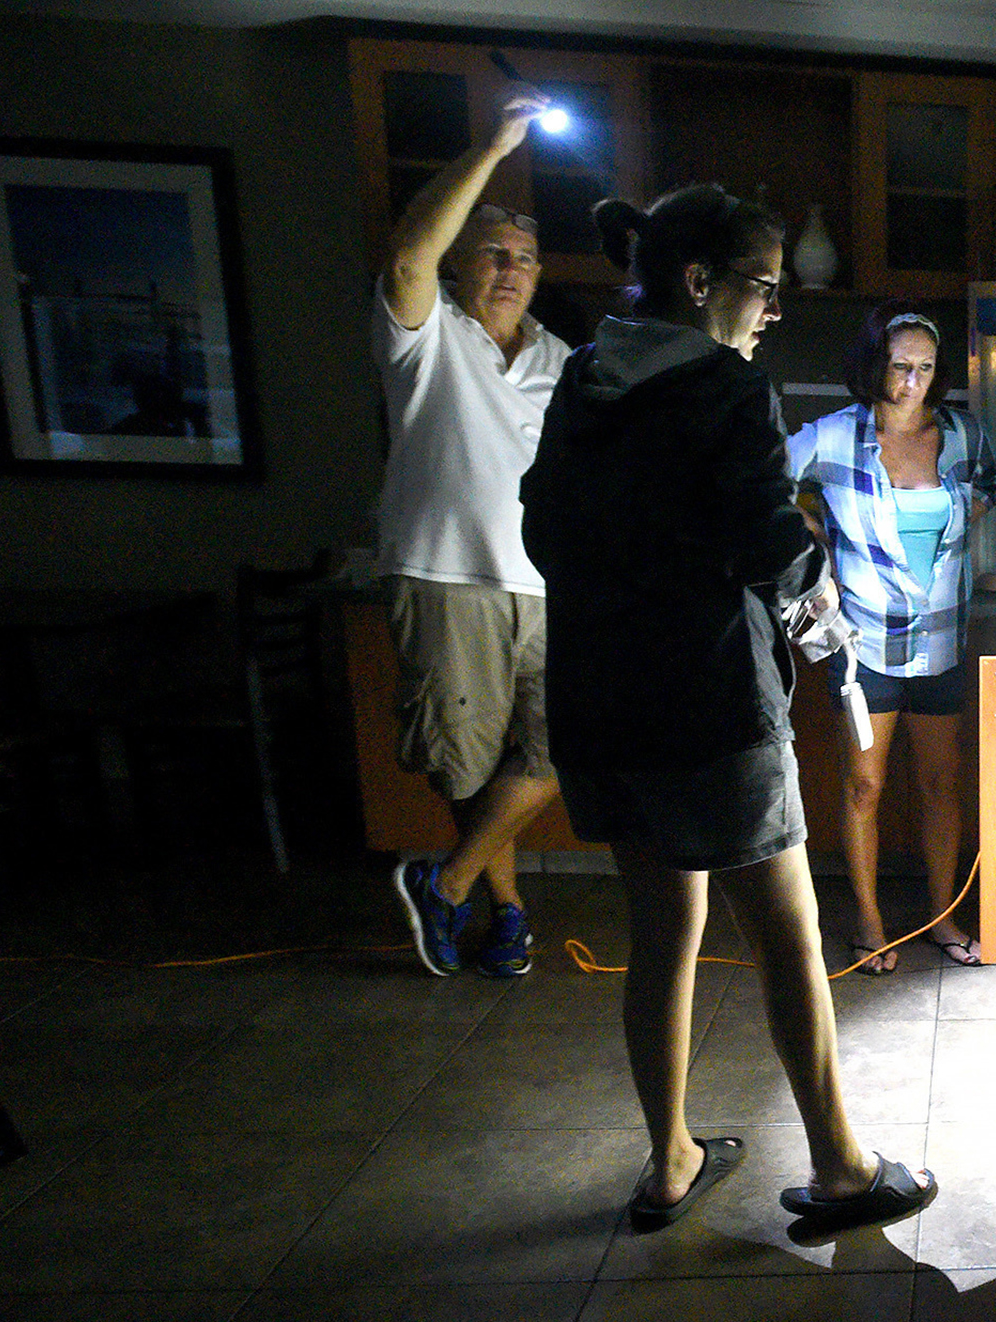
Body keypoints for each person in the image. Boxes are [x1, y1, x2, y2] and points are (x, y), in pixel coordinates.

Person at [520, 184, 936, 1231]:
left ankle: (669, 1161)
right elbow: (769, 545)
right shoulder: (724, 387)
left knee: (662, 925)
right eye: (762, 285)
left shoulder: (585, 377)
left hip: (599, 704)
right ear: (698, 282)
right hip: (707, 706)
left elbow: (540, 529)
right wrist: (819, 615)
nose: (773, 309)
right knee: (789, 932)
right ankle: (843, 1167)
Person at [373, 85, 570, 979]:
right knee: (466, 769)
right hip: (447, 578)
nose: (508, 266)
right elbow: (411, 249)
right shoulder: (424, 333)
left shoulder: (561, 359)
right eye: (490, 251)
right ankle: (509, 916)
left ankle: (445, 886)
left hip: (547, 588)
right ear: (459, 264)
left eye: (524, 256)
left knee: (558, 750)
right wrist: (495, 146)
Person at [785, 302, 996, 974]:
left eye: (925, 368)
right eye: (900, 365)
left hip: (941, 641)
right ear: (875, 365)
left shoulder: (964, 436)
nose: (912, 380)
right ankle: (869, 923)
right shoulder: (832, 437)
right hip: (863, 646)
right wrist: (815, 536)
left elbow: (991, 488)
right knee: (863, 787)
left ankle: (942, 918)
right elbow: (764, 486)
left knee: (942, 783)